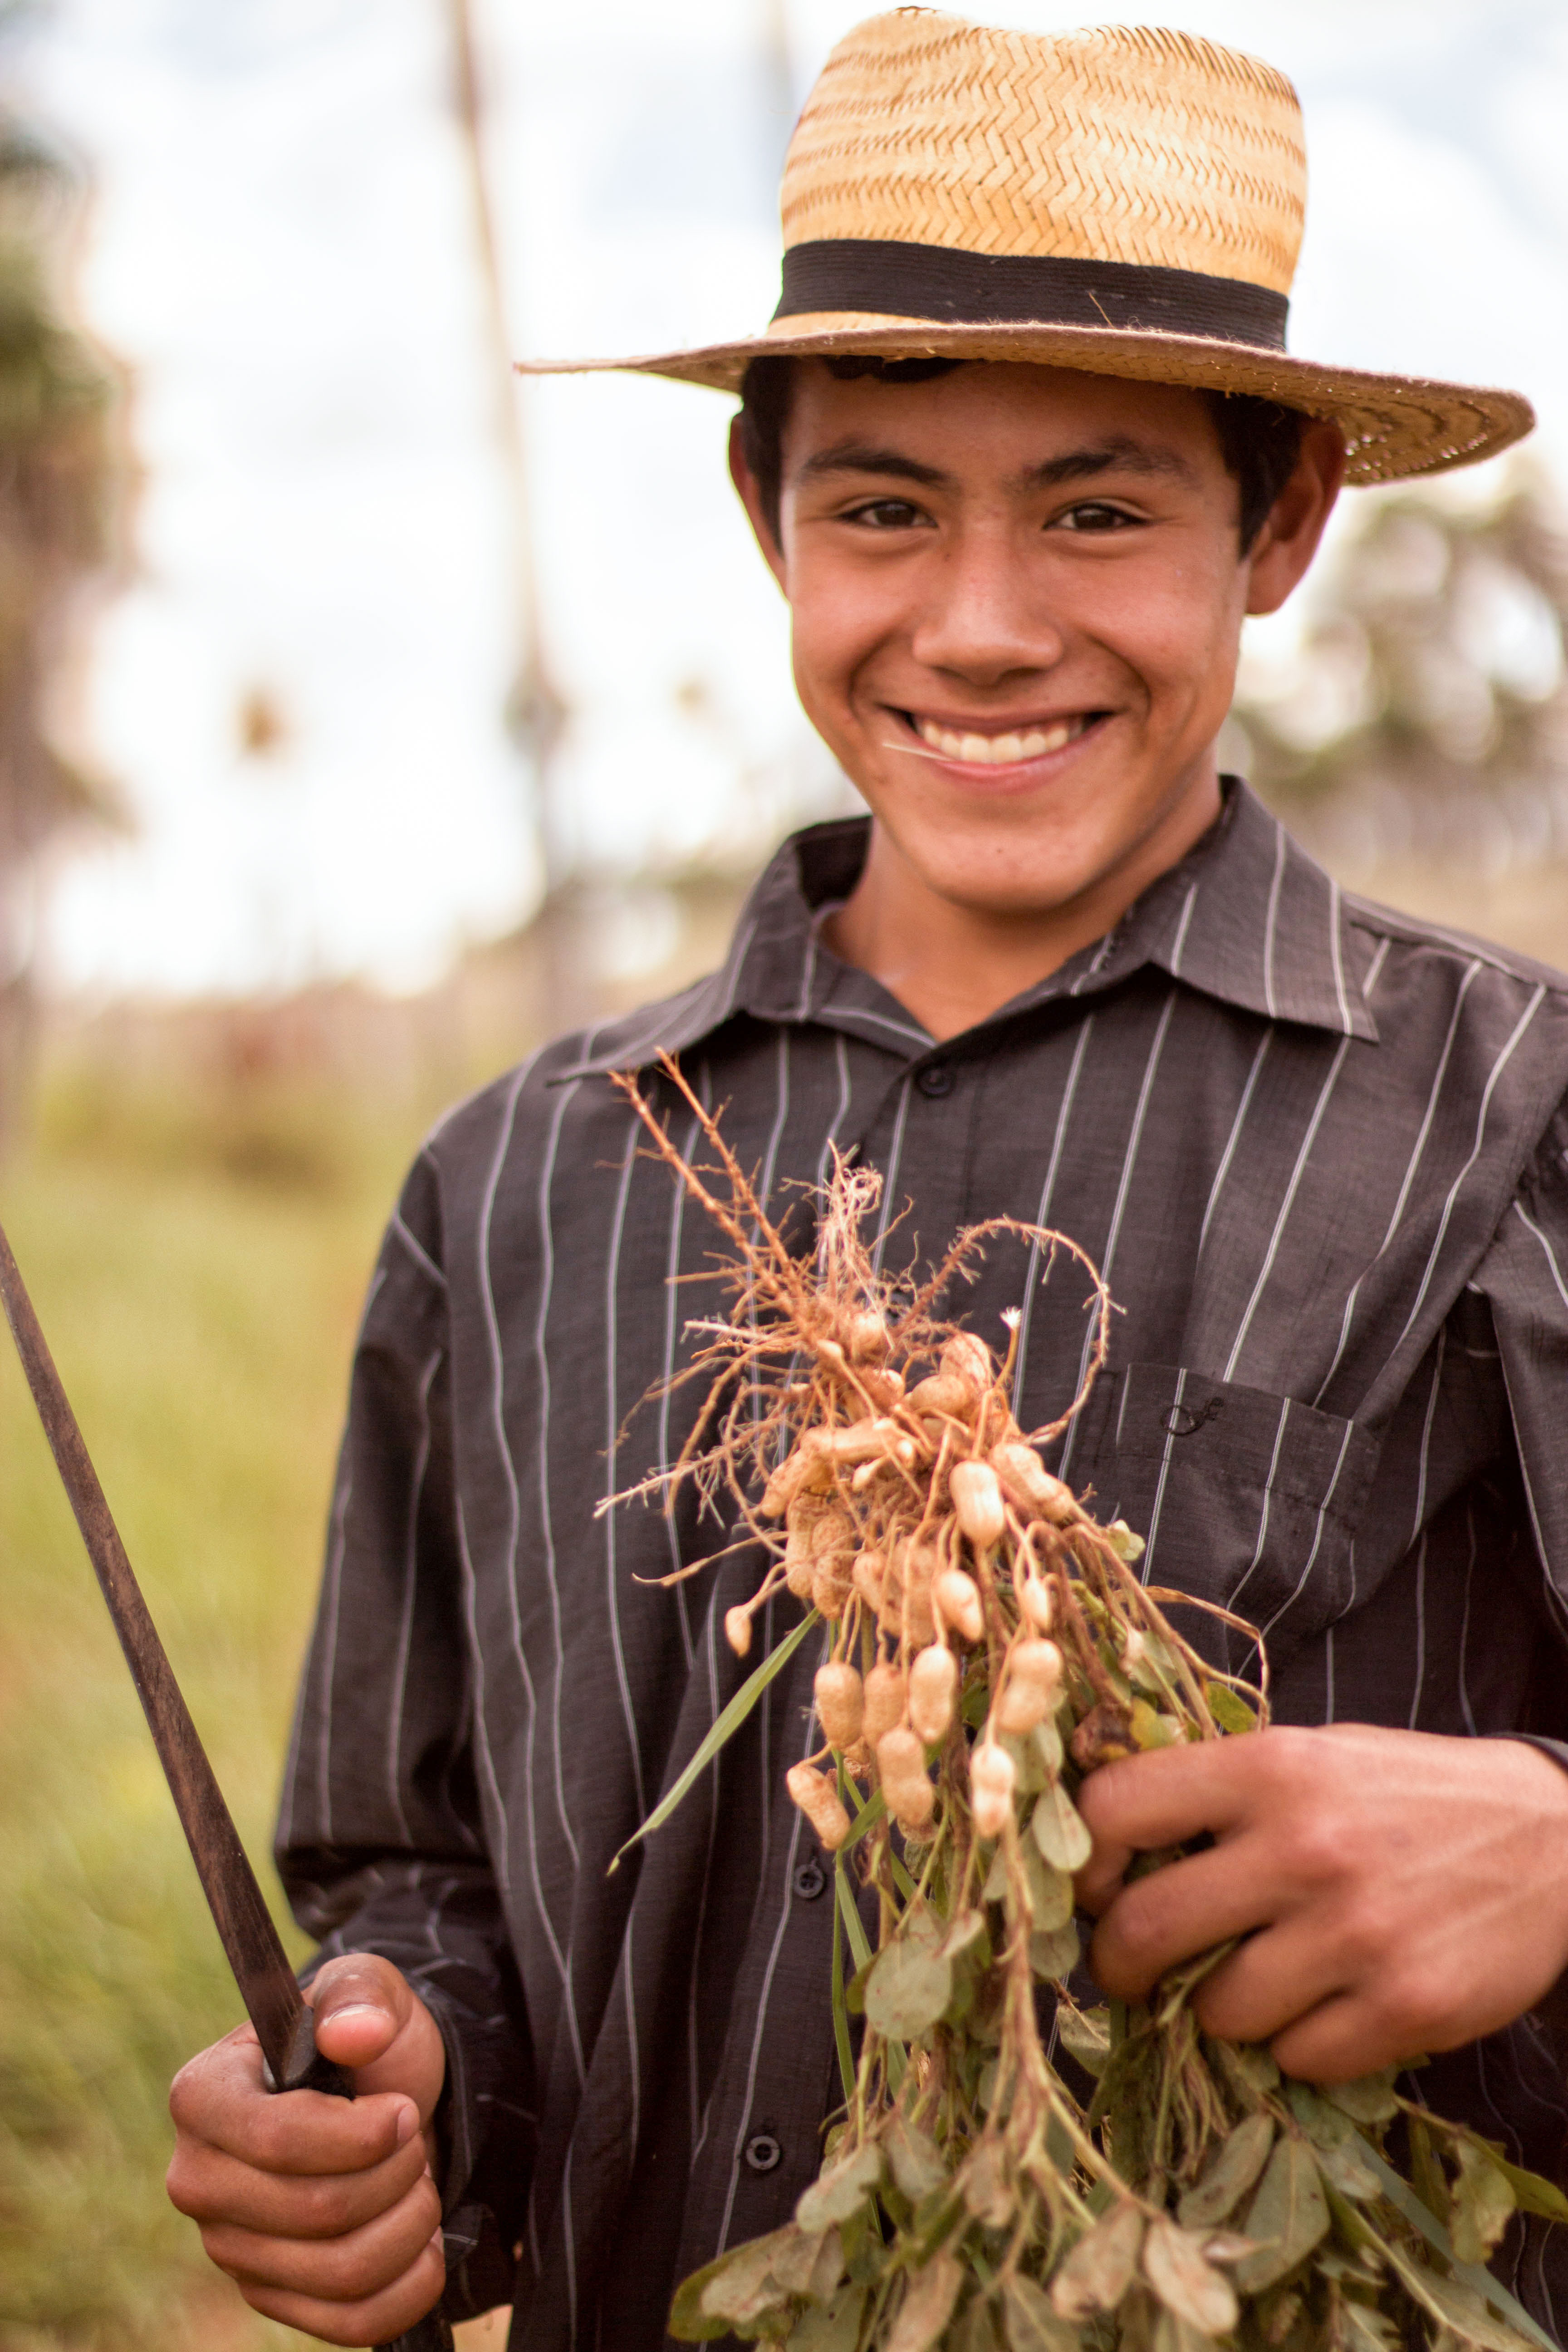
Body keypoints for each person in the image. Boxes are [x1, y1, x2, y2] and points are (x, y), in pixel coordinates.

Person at [163, 12, 1568, 2348]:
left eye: (1102, 509)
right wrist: (394, 2093)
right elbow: (416, 1874)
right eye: (886, 504)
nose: (985, 621)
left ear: (1287, 519)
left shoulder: (1514, 1110)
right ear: (762, 513)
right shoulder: (523, 1184)